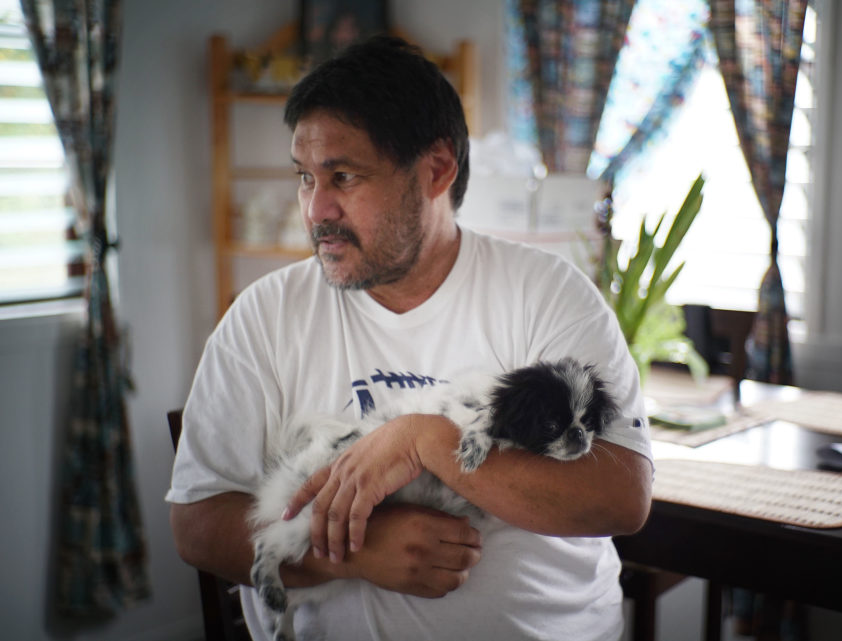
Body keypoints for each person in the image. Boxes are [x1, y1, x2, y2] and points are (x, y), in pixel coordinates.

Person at [167, 35, 653, 641]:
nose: (316, 208)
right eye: (304, 177)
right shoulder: (263, 316)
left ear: (436, 170)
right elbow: (196, 522)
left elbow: (620, 497)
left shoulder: (548, 294)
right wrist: (351, 550)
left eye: (343, 176)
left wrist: (426, 441)